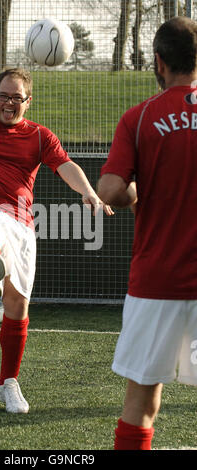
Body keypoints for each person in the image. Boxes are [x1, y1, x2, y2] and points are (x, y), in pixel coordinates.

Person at [0, 67, 113, 414]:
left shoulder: (39, 136)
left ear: (28, 102)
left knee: (17, 306)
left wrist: (89, 192)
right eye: (3, 95)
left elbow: (66, 165)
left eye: (16, 98)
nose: (8, 103)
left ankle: (8, 384)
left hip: (20, 222)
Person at [97, 16, 197, 450]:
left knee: (141, 401)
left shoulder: (139, 118)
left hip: (157, 283)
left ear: (159, 61)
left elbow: (112, 190)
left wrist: (137, 188)